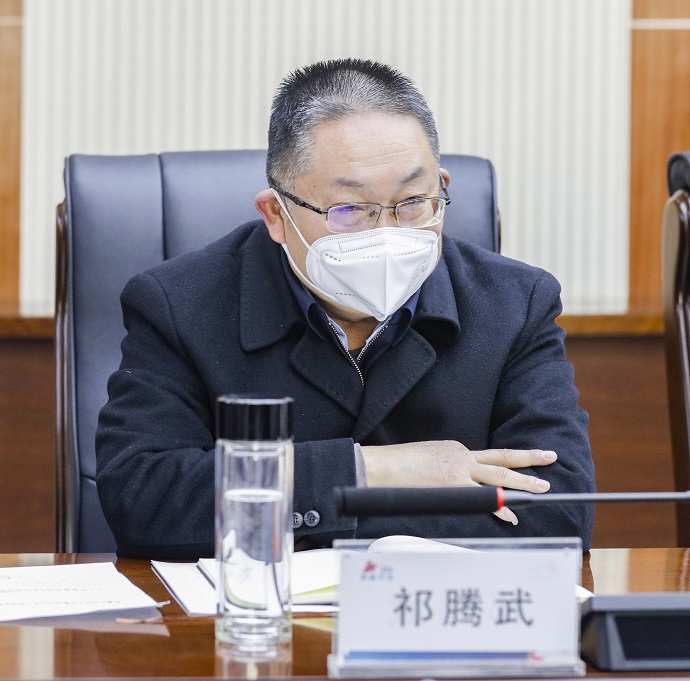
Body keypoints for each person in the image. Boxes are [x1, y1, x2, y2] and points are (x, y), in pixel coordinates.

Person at [96, 58, 595, 559]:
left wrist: (311, 511)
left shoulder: (516, 303)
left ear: (441, 187)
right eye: (350, 209)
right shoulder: (179, 304)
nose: (388, 234)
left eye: (412, 201)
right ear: (276, 214)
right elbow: (145, 500)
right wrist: (376, 470)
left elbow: (558, 512)